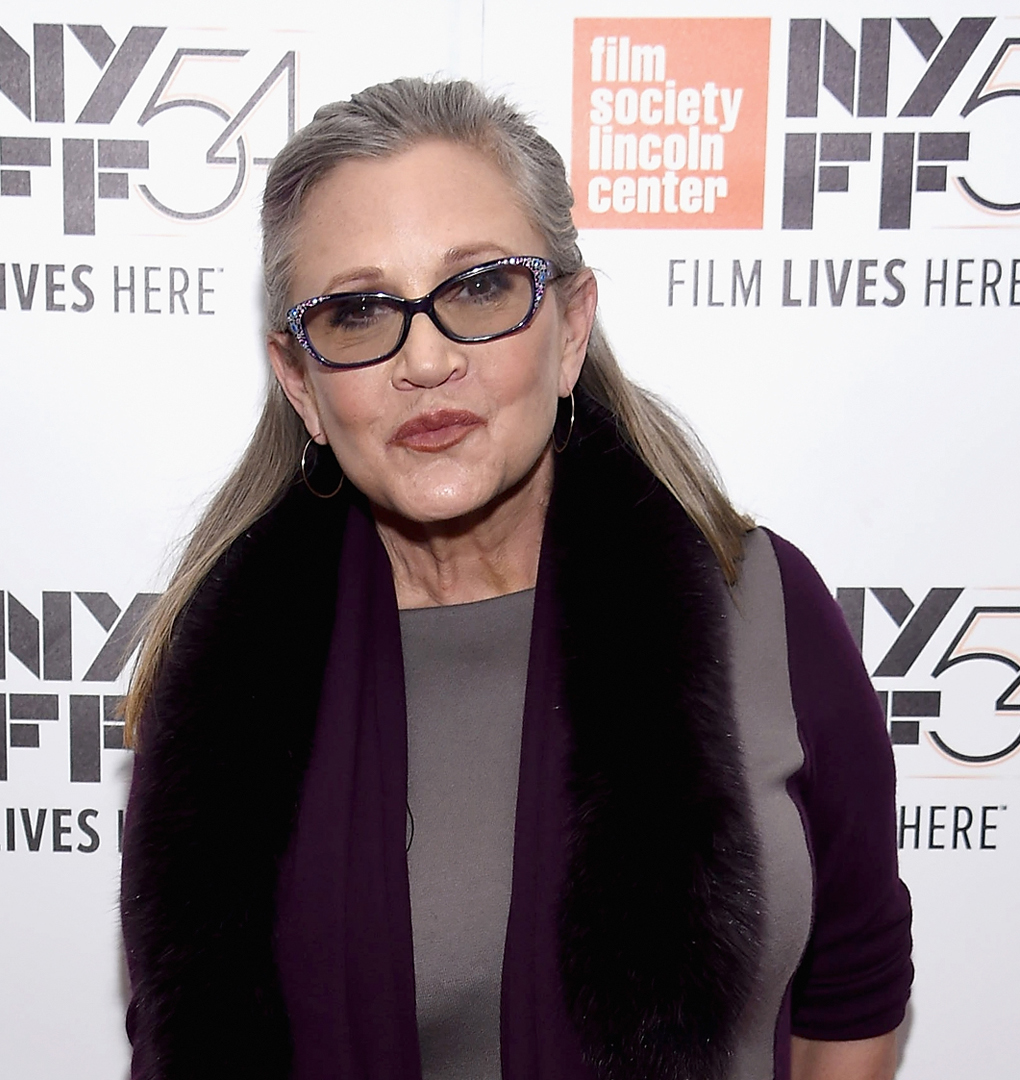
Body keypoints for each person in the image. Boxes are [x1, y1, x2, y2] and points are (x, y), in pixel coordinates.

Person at [118, 78, 911, 1080]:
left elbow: (854, 990)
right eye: (359, 312)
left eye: (481, 288)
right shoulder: (222, 685)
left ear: (571, 328)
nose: (427, 360)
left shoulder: (759, 608)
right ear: (301, 384)